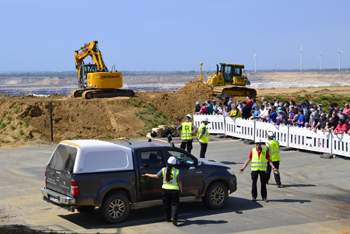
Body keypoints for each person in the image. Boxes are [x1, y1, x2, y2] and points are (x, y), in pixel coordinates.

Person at [145, 156, 182, 226]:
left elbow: (156, 176)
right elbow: (179, 182)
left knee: (166, 205)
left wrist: (147, 174)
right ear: (175, 164)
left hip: (165, 190)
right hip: (174, 190)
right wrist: (181, 190)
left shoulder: (163, 170)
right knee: (174, 204)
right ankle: (174, 218)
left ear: (167, 163)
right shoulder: (177, 171)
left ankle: (168, 218)